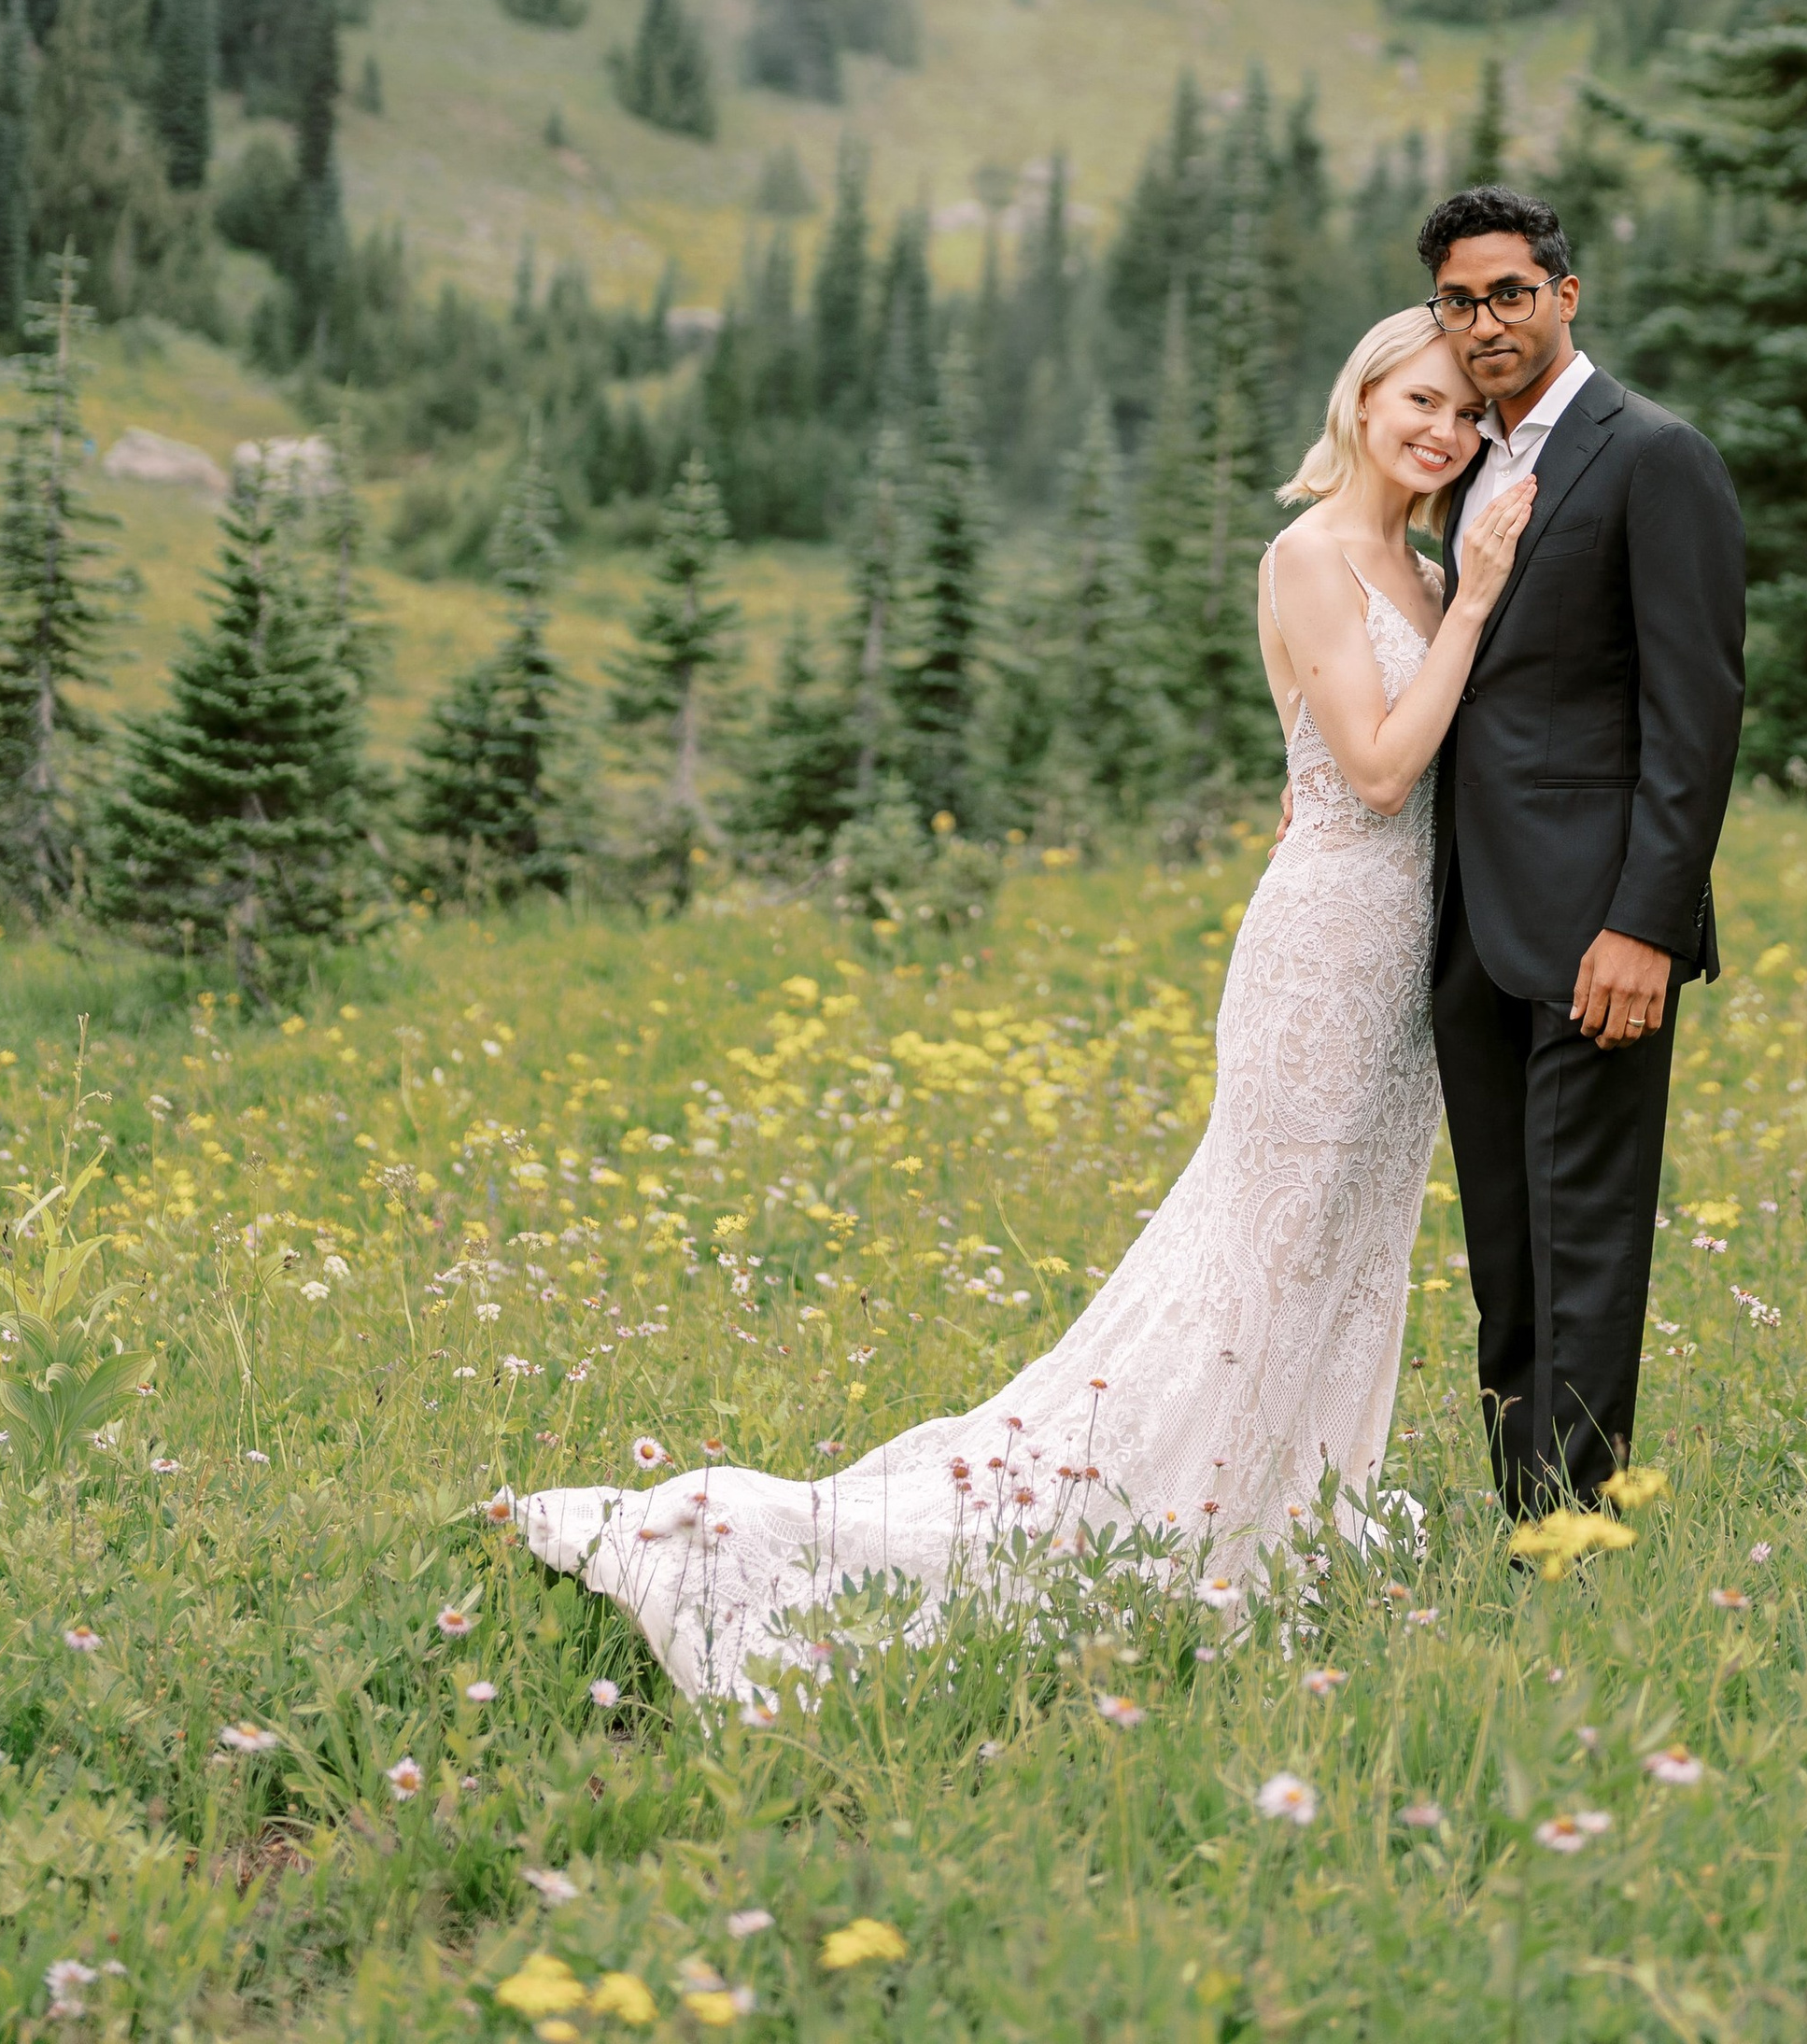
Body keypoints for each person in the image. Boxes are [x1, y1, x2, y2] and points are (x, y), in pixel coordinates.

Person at [513, 306, 1532, 1698]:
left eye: (1467, 415)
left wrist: (1464, 595)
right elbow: (1375, 773)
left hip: (1408, 966)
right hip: (1325, 954)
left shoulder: (1416, 561)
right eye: (1420, 398)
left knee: (1343, 1260)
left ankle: (1280, 1509)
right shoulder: (1311, 558)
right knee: (1257, 1251)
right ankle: (1163, 1517)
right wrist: (1478, 601)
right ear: (1360, 399)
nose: (1443, 430)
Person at [1419, 183, 1743, 1520]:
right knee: (1507, 1243)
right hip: (1473, 929)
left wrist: (1648, 924)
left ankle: (1576, 1525)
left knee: (1588, 1243)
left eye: (1508, 292)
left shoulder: (1652, 454)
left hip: (1600, 926)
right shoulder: (1462, 464)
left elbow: (1696, 711)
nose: (1485, 321)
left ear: (1564, 294)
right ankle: (1523, 1510)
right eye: (1458, 300)